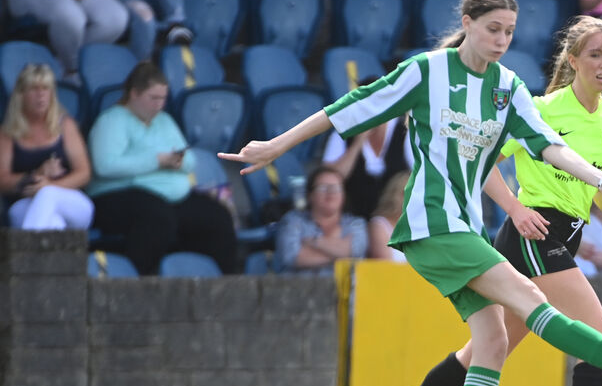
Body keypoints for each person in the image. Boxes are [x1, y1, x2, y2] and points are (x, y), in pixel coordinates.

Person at [220, 0, 602, 386]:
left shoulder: (508, 86)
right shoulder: (428, 71)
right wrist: (276, 145)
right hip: (430, 224)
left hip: (467, 228)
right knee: (533, 302)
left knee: (491, 343)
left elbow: (549, 147)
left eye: (510, 32)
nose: (502, 40)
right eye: (493, 29)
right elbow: (354, 106)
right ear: (466, 22)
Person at [368, 16, 602, 386]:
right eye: (595, 55)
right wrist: (516, 208)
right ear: (572, 61)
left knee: (486, 351)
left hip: (563, 235)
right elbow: (482, 161)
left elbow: (594, 188)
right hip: (534, 230)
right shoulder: (541, 108)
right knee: (598, 336)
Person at [88, 61, 238, 276]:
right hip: (116, 197)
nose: (159, 105)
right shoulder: (112, 121)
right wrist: (156, 161)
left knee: (216, 216)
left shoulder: (164, 121)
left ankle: (220, 284)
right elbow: (105, 166)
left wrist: (177, 161)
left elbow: (189, 160)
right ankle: (135, 282)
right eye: (153, 98)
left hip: (169, 198)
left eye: (163, 98)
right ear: (134, 94)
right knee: (156, 218)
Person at [0, 63, 94, 230]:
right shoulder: (8, 132)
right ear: (21, 94)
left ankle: (24, 252)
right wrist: (36, 175)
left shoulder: (65, 125)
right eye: (34, 89)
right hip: (24, 204)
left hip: (70, 200)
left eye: (46, 88)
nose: (41, 95)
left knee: (47, 194)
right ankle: (41, 254)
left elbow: (84, 173)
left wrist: (48, 186)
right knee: (54, 224)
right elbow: (2, 180)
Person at [322, 75, 413, 219]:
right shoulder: (343, 132)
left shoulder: (405, 131)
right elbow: (330, 179)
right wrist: (358, 142)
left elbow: (419, 174)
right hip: (353, 219)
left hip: (396, 219)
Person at [275, 165, 368, 275]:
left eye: (336, 188)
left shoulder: (356, 224)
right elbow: (291, 256)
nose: (330, 193)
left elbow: (355, 252)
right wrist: (341, 253)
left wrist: (313, 241)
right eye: (323, 188)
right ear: (310, 195)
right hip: (299, 289)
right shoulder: (293, 221)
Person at [367, 171, 411, 262]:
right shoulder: (379, 225)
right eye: (406, 193)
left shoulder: (427, 226)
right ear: (394, 195)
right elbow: (385, 266)